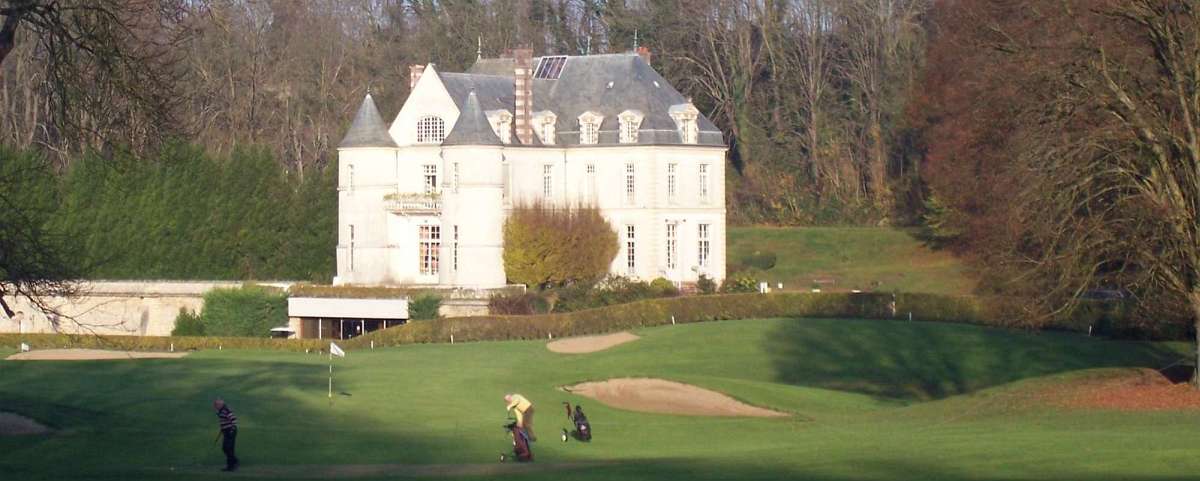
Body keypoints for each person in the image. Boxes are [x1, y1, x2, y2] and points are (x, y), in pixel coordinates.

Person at [213, 398, 239, 472]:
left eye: (216, 405)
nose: (215, 407)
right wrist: (223, 428)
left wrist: (232, 430)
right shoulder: (221, 411)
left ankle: (231, 466)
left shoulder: (225, 410)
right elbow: (222, 418)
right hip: (226, 431)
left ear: (220, 405)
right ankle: (234, 462)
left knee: (228, 448)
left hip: (230, 431)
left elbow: (233, 419)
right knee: (226, 448)